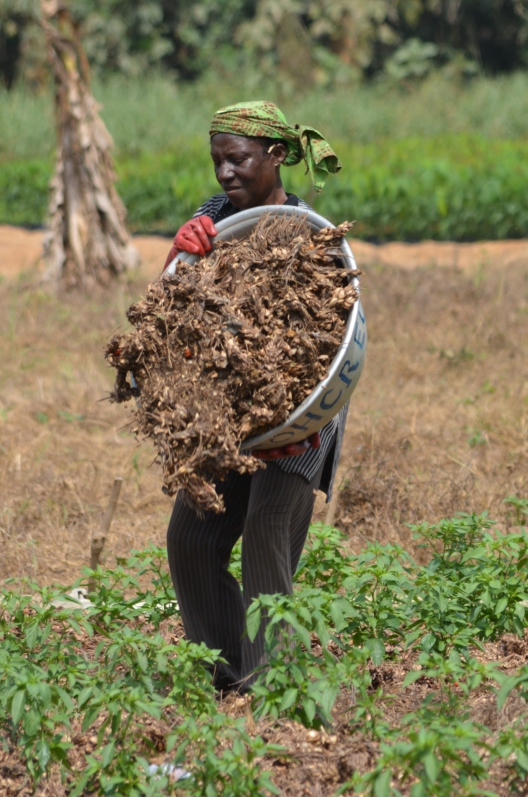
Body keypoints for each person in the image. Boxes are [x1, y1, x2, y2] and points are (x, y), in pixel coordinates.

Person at [164, 100, 349, 692]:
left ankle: (274, 689)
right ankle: (225, 676)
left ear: (275, 156)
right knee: (190, 539)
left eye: (238, 160)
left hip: (299, 416)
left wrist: (299, 420)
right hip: (228, 413)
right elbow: (167, 309)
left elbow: (330, 340)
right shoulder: (214, 218)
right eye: (217, 161)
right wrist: (182, 253)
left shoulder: (305, 232)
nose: (225, 174)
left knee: (268, 535)